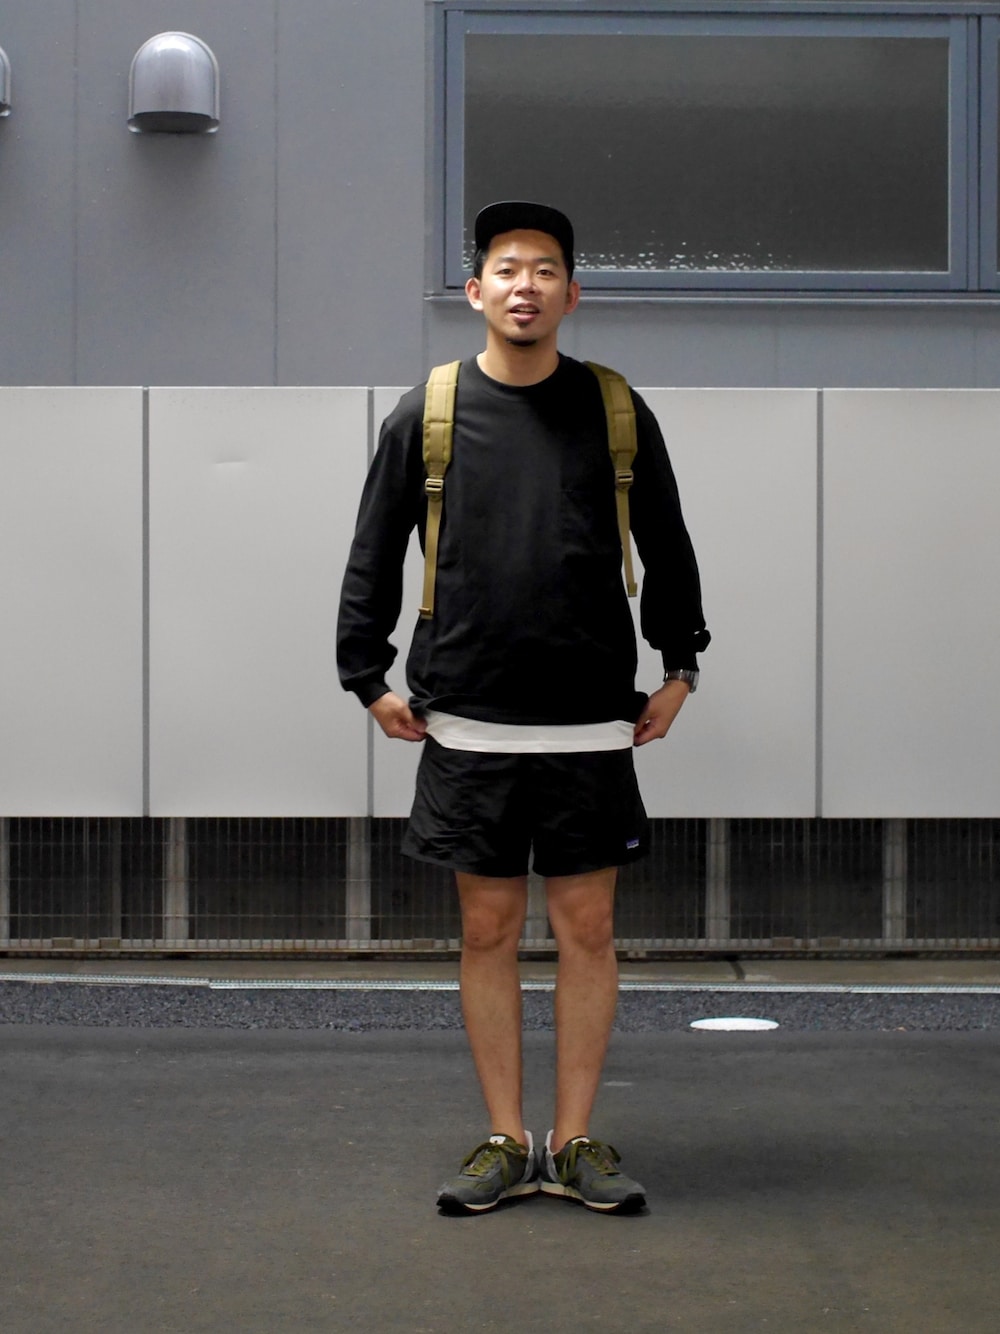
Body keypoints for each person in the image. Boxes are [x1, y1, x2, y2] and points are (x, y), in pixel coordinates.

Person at [337, 201, 709, 1215]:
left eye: (544, 269)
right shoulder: (429, 410)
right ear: (476, 290)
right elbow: (373, 549)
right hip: (468, 717)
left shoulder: (616, 409)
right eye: (507, 268)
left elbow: (667, 542)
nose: (525, 285)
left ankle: (575, 1140)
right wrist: (366, 676)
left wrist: (680, 665)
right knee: (487, 928)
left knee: (589, 926)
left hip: (591, 717)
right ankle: (506, 1139)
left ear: (570, 293)